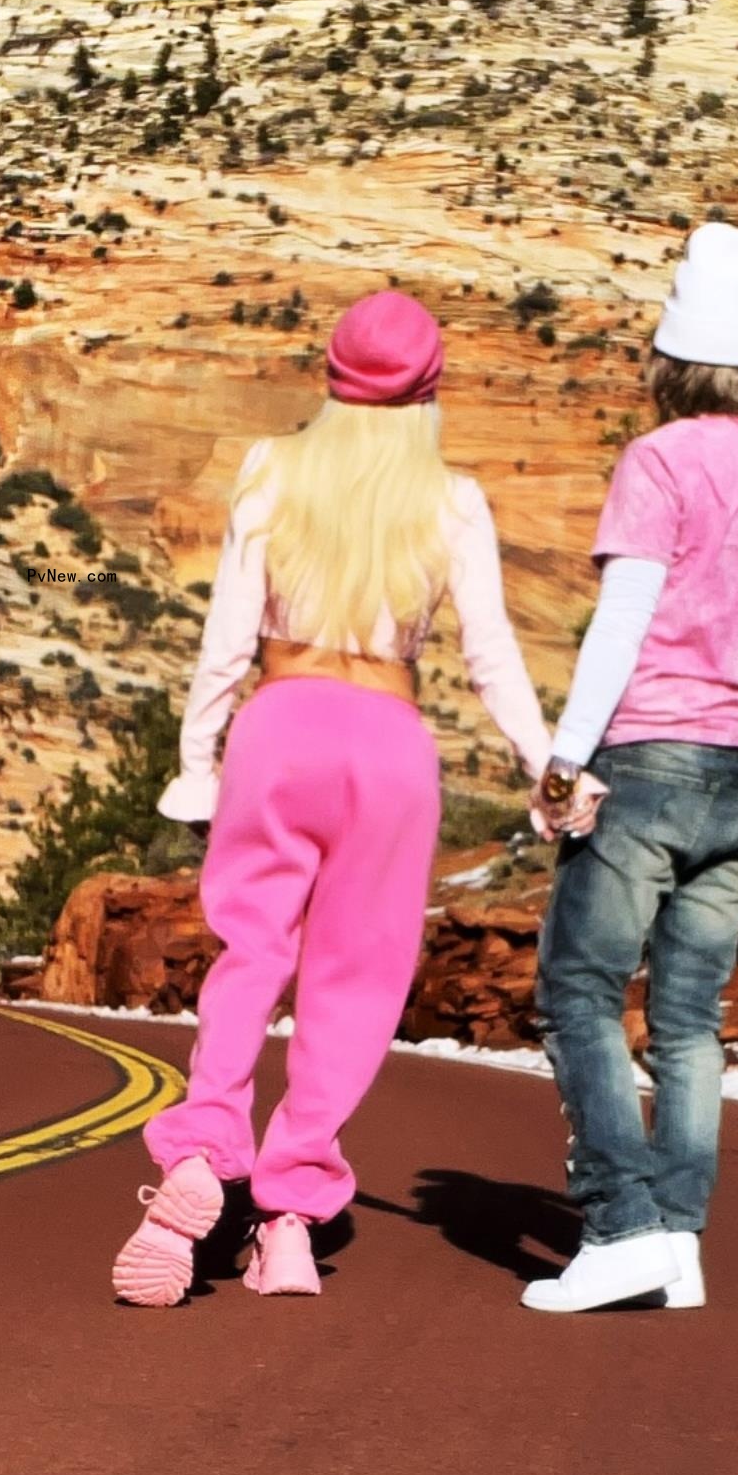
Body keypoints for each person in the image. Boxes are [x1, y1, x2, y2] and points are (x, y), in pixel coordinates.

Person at [112, 290, 556, 1306]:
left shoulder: (273, 470)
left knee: (250, 952)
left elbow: (225, 638)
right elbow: (491, 660)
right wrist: (544, 762)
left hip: (281, 722)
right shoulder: (451, 498)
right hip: (389, 745)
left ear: (331, 375)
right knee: (352, 986)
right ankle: (291, 1220)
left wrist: (197, 759)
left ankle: (201, 1150)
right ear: (431, 387)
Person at [521, 222, 738, 1314]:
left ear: (667, 364)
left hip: (649, 763)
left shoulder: (656, 462)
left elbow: (623, 623)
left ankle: (621, 1227)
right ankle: (679, 1239)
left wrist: (565, 760)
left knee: (580, 990)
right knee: (694, 1018)